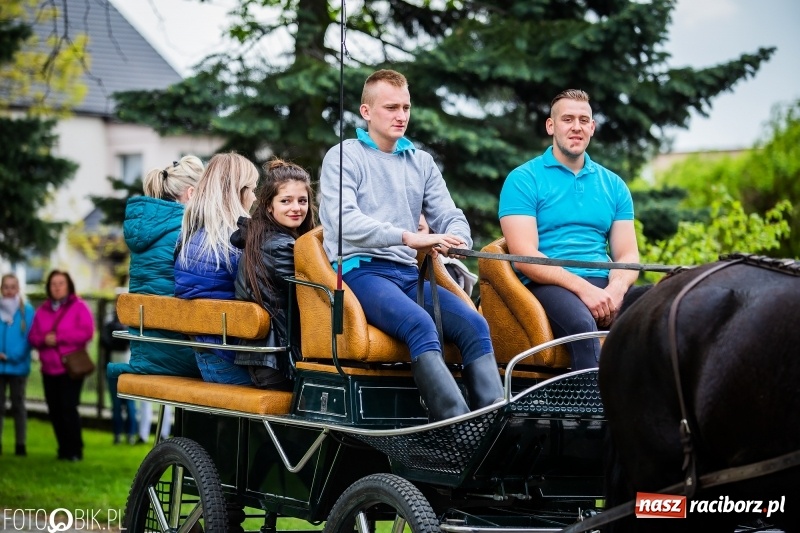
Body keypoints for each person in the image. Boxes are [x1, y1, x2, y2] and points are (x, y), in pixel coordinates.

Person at [319, 69, 504, 422]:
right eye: (391, 107)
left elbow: (451, 215)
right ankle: (458, 431)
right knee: (421, 325)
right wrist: (408, 236)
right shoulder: (344, 156)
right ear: (366, 112)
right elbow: (343, 222)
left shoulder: (420, 161)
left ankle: (493, 426)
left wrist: (456, 239)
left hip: (408, 274)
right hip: (359, 272)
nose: (401, 115)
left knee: (475, 325)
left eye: (406, 107)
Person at [498, 89, 639, 371]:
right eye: (568, 119)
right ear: (551, 126)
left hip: (605, 284)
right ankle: (591, 414)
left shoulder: (614, 185)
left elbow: (628, 253)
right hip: (548, 284)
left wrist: (617, 289)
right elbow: (526, 256)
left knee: (658, 311)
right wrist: (585, 290)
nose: (576, 126)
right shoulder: (523, 179)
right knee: (582, 324)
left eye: (584, 120)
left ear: (592, 128)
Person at [110, 155, 205, 444]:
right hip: (179, 350)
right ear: (190, 194)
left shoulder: (146, 230)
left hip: (149, 347)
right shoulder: (187, 230)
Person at [231, 158, 316, 389]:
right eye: (286, 201)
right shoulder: (279, 245)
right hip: (278, 361)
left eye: (302, 200)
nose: (296, 208)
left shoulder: (265, 237)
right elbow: (312, 296)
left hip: (269, 357)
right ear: (269, 205)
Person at [174, 152, 259, 385]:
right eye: (252, 189)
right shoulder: (234, 242)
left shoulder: (191, 236)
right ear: (238, 192)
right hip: (232, 362)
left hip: (208, 356)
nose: (255, 197)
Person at [28, 270, 95, 461]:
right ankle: (63, 449)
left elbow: (86, 333)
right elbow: (33, 337)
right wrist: (44, 340)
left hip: (70, 369)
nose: (57, 287)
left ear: (68, 286)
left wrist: (59, 338)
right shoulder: (42, 310)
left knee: (68, 408)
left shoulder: (79, 307)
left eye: (61, 283)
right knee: (55, 410)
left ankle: (75, 450)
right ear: (49, 287)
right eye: (53, 284)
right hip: (48, 369)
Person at [0, 273, 35, 456]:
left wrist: (11, 356)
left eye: (13, 286)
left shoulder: (26, 311)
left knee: (18, 405)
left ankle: (20, 444)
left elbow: (28, 339)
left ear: (18, 289)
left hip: (18, 367)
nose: (9, 290)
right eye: (6, 286)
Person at [418, 215, 478, 298]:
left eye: (418, 229)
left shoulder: (448, 267)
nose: (413, 235)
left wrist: (457, 241)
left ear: (430, 232)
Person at [100, 311, 137, 444]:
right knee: (116, 404)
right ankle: (117, 435)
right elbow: (104, 341)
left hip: (129, 370)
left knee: (130, 404)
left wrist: (116, 339)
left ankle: (131, 434)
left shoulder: (133, 327)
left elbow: (131, 342)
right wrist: (120, 340)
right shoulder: (110, 325)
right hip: (113, 369)